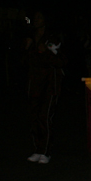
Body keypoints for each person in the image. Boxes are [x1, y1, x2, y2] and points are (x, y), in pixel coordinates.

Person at [24, 10, 65, 164]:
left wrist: (46, 52)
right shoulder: (30, 38)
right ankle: (38, 149)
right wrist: (26, 48)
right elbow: (23, 61)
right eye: (35, 17)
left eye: (39, 17)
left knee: (44, 116)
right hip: (34, 83)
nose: (36, 20)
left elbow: (61, 61)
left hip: (50, 84)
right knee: (33, 116)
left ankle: (46, 151)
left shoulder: (51, 38)